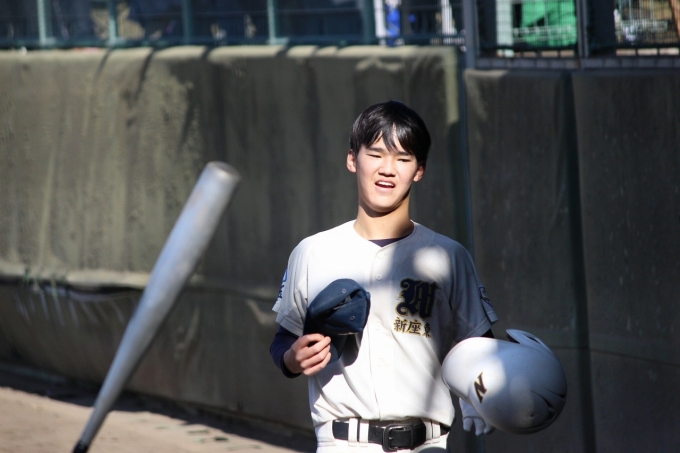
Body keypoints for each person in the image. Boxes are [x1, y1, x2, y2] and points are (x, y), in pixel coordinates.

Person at [270, 100, 498, 452]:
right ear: (352, 159)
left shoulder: (448, 256)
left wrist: (483, 387)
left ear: (419, 170)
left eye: (403, 159)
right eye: (375, 154)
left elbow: (481, 343)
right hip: (343, 441)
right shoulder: (312, 252)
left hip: (428, 442)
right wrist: (292, 358)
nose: (387, 169)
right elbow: (284, 339)